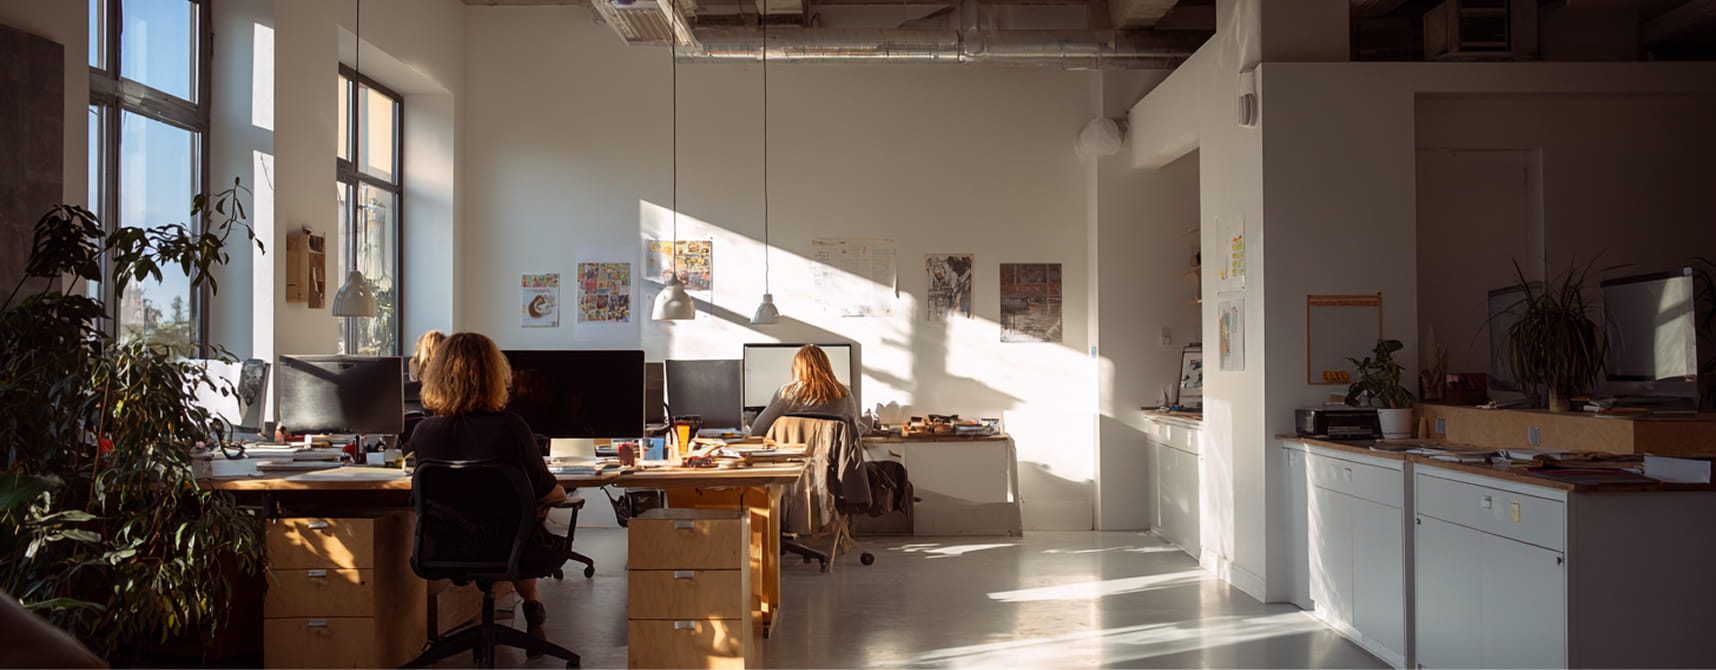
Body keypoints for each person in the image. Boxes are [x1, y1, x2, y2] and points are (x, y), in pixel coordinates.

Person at [411, 332, 569, 653]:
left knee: (508, 525)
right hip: (510, 549)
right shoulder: (511, 427)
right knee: (522, 525)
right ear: (495, 376)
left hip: (443, 550)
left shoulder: (423, 432)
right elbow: (552, 494)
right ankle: (531, 603)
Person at [748, 344, 864, 439]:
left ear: (797, 367)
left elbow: (757, 431)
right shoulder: (844, 394)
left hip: (793, 460)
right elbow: (855, 432)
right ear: (827, 366)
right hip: (832, 462)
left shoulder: (786, 393)